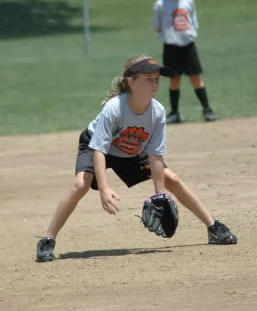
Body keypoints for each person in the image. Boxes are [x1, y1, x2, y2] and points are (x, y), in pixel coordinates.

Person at [36, 55, 237, 262]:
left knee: (172, 179)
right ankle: (47, 239)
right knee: (81, 184)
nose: (155, 83)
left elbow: (155, 156)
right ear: (131, 82)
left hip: (131, 150)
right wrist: (104, 189)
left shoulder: (157, 112)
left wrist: (160, 195)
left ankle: (213, 227)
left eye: (157, 79)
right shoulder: (115, 108)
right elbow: (99, 149)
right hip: (95, 145)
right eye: (148, 79)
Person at [153, 0, 217, 124]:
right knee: (174, 79)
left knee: (195, 78)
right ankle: (175, 113)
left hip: (188, 45)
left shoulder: (188, 1)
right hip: (171, 47)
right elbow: (157, 26)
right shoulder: (161, 4)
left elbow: (193, 22)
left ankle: (207, 109)